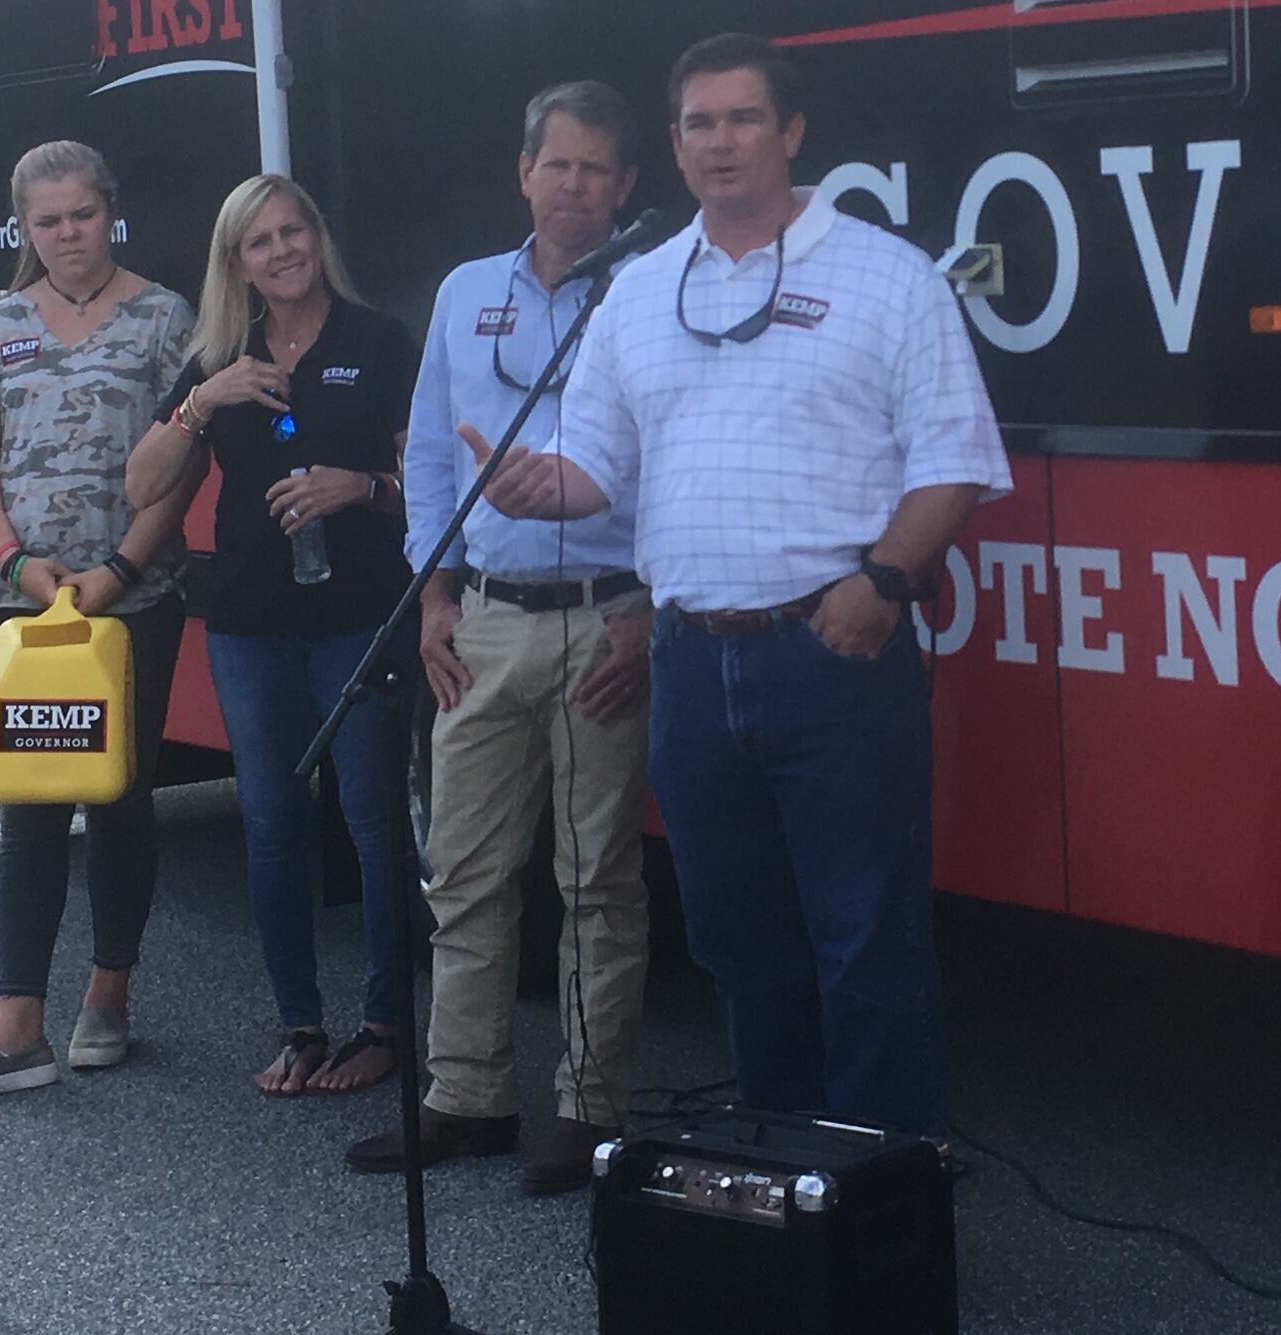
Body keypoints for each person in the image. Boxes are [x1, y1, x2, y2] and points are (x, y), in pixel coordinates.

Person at [462, 34, 1013, 1137]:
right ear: (672, 145)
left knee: (864, 939)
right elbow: (597, 470)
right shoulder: (638, 288)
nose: (718, 143)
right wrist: (531, 488)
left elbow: (953, 460)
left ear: (792, 133)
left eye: (742, 119)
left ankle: (880, 1190)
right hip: (690, 658)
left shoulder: (885, 275)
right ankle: (780, 1181)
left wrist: (882, 587)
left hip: (831, 656)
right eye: (698, 124)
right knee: (738, 941)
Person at [344, 81, 649, 1194]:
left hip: (605, 620)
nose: (574, 186)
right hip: (480, 620)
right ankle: (464, 1098)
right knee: (462, 873)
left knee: (595, 880)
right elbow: (429, 452)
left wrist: (650, 614)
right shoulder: (468, 291)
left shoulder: (653, 293)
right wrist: (431, 595)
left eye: (596, 169)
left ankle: (588, 1110)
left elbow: (676, 462)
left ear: (625, 185)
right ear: (523, 173)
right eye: (555, 165)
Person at [0, 141, 198, 1105]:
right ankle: (15, 1029)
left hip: (131, 606)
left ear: (110, 212)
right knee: (27, 803)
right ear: (24, 229)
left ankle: (107, 997)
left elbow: (185, 462)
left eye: (81, 214)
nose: (67, 234)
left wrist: (120, 569)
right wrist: (15, 563)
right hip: (14, 608)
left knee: (118, 796)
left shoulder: (165, 318)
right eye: (48, 220)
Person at [125, 175, 419, 1096]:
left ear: (317, 238)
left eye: (294, 231)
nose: (283, 249)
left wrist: (362, 485)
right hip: (250, 624)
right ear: (237, 263)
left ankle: (384, 1025)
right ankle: (300, 1024)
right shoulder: (221, 355)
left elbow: (436, 484)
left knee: (372, 821)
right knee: (271, 824)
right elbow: (142, 487)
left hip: (360, 616)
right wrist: (200, 404)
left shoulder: (379, 340)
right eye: (261, 241)